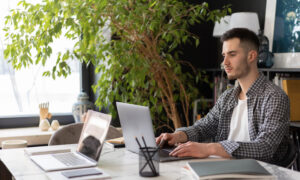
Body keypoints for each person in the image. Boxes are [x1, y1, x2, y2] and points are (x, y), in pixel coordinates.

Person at [156, 28, 290, 165]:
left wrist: (210, 148)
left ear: (251, 56)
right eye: (224, 55)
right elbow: (203, 127)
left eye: (232, 54)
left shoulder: (274, 97)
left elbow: (265, 148)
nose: (224, 62)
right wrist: (178, 136)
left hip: (262, 172)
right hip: (223, 168)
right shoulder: (228, 96)